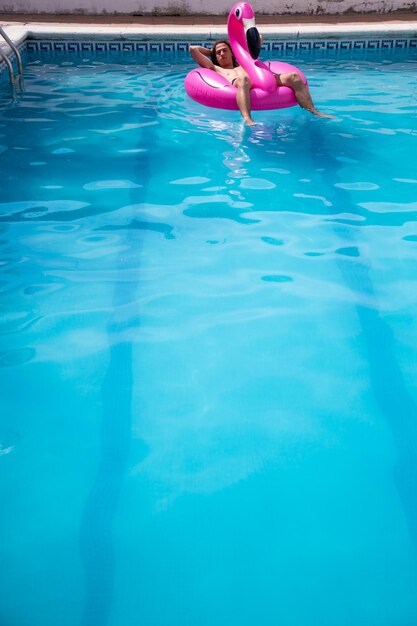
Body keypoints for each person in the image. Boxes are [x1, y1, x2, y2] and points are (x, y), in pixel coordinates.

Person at [189, 39, 334, 126]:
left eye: (224, 50)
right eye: (218, 53)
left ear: (232, 52)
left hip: (261, 79)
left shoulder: (244, 61)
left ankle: (313, 111)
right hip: (243, 83)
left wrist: (237, 47)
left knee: (294, 77)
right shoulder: (216, 68)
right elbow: (193, 49)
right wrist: (210, 51)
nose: (221, 54)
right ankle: (248, 119)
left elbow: (259, 39)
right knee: (243, 80)